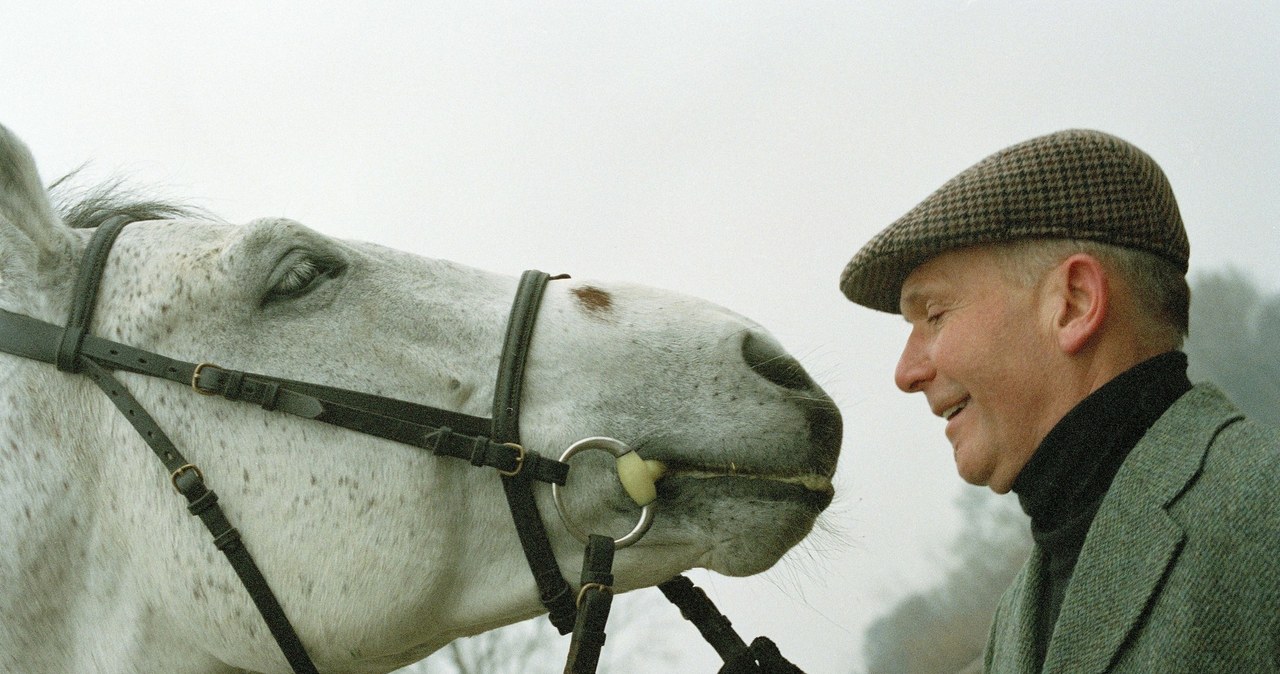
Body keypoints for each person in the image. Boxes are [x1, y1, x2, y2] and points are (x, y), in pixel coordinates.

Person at [840, 129, 1280, 672]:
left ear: (1074, 302)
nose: (906, 373)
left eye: (934, 314)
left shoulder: (1263, 512)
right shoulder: (1026, 607)